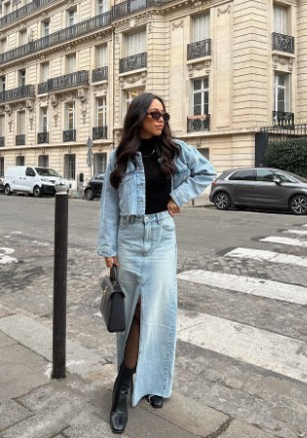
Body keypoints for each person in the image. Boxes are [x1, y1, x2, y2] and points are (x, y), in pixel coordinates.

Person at [97, 92, 216, 434]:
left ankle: (155, 385)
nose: (160, 119)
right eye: (153, 113)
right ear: (139, 117)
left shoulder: (174, 150)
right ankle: (124, 384)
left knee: (160, 312)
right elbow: (108, 202)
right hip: (130, 238)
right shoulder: (119, 156)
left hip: (162, 237)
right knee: (133, 312)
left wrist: (177, 197)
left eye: (163, 113)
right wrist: (108, 247)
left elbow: (206, 172)